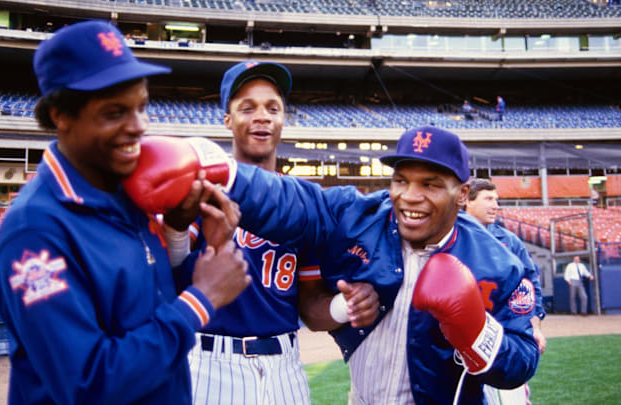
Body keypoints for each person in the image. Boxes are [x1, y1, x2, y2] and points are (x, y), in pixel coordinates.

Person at [0, 20, 249, 404]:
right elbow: (88, 384)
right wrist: (201, 299)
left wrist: (181, 232)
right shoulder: (34, 232)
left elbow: (144, 310)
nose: (139, 126)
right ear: (61, 115)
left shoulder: (124, 192)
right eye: (115, 112)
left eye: (142, 107)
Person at [194, 125, 539, 404]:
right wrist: (222, 173)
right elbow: (293, 201)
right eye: (401, 180)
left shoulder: (499, 263)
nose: (410, 196)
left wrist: (476, 333)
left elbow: (522, 360)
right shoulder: (358, 217)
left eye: (430, 185)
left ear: (462, 193)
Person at [168, 60, 379, 405]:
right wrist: (177, 227)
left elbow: (310, 307)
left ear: (284, 119)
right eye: (247, 108)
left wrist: (346, 306)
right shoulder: (204, 187)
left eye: (273, 107)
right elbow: (166, 277)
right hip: (209, 363)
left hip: (285, 368)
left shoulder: (304, 204)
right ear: (227, 120)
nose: (262, 116)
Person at [464, 178, 546, 405]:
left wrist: (534, 326)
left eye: (497, 199)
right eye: (488, 198)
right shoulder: (451, 236)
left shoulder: (508, 240)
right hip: (462, 336)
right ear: (467, 201)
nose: (495, 205)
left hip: (506, 335)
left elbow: (530, 284)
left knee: (513, 399)